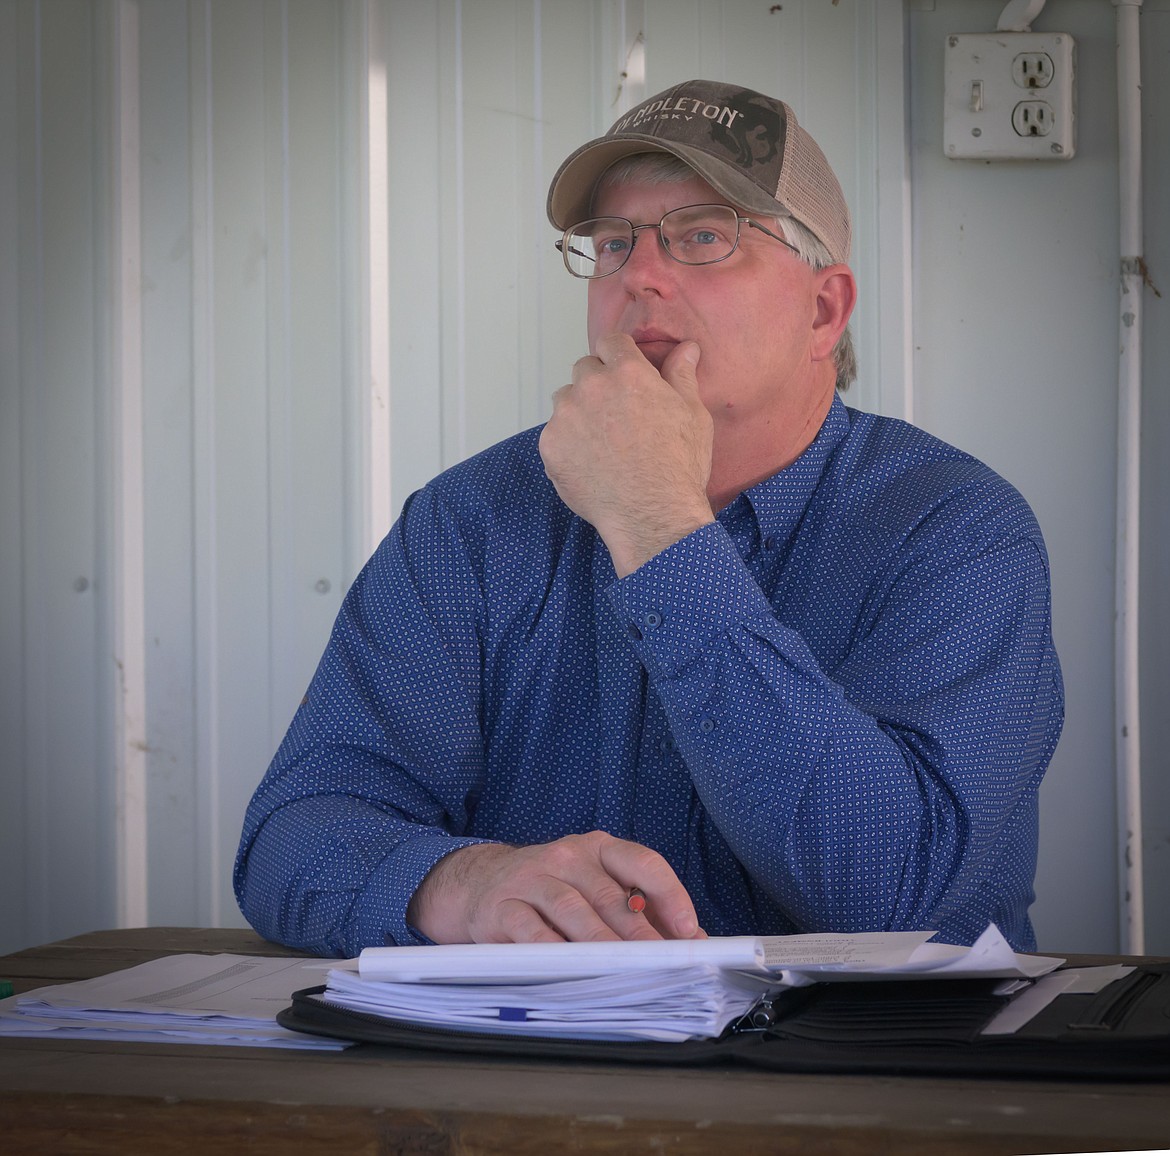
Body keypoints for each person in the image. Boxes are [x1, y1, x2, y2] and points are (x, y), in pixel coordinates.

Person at [234, 79, 1063, 958]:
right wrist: (459, 885)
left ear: (824, 310)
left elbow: (890, 895)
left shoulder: (953, 529)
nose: (639, 277)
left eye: (703, 236)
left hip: (868, 1080)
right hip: (535, 1070)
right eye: (612, 244)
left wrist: (660, 526)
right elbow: (296, 832)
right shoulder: (470, 523)